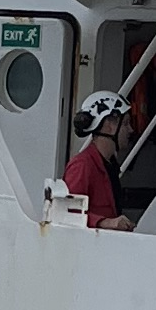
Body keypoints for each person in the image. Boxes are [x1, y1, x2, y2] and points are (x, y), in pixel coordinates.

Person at [60, 95, 128, 229]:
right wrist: (106, 222)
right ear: (109, 126)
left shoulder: (109, 164)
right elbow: (67, 213)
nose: (131, 129)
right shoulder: (82, 165)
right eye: (126, 123)